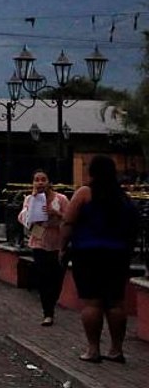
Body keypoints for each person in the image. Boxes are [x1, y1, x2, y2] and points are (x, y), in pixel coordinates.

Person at [60, 154, 140, 363]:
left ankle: (93, 349)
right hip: (117, 254)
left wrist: (62, 247)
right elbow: (133, 225)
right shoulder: (123, 197)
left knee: (92, 303)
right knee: (115, 303)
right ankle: (116, 349)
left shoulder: (85, 193)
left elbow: (68, 222)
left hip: (88, 253)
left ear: (92, 172)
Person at [18, 169, 69, 326]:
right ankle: (48, 312)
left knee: (57, 278)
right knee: (43, 277)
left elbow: (69, 218)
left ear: (49, 182)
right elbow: (23, 218)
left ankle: (52, 302)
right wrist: (32, 208)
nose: (40, 182)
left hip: (58, 242)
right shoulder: (29, 199)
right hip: (39, 239)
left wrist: (56, 213)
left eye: (43, 179)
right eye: (37, 180)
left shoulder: (61, 199)